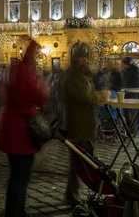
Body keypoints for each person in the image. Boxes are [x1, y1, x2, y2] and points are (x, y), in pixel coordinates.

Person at [0, 41, 48, 217]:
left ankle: (13, 210)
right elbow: (39, 95)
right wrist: (40, 81)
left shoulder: (11, 69)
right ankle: (16, 212)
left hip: (10, 127)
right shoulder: (24, 72)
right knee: (21, 176)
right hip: (21, 130)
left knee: (15, 174)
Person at [62, 43, 96, 208]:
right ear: (80, 59)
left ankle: (73, 193)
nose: (88, 61)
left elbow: (89, 92)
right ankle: (73, 195)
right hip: (77, 122)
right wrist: (95, 98)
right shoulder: (72, 75)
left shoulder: (83, 74)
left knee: (84, 160)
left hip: (85, 121)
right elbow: (83, 96)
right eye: (85, 58)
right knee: (78, 161)